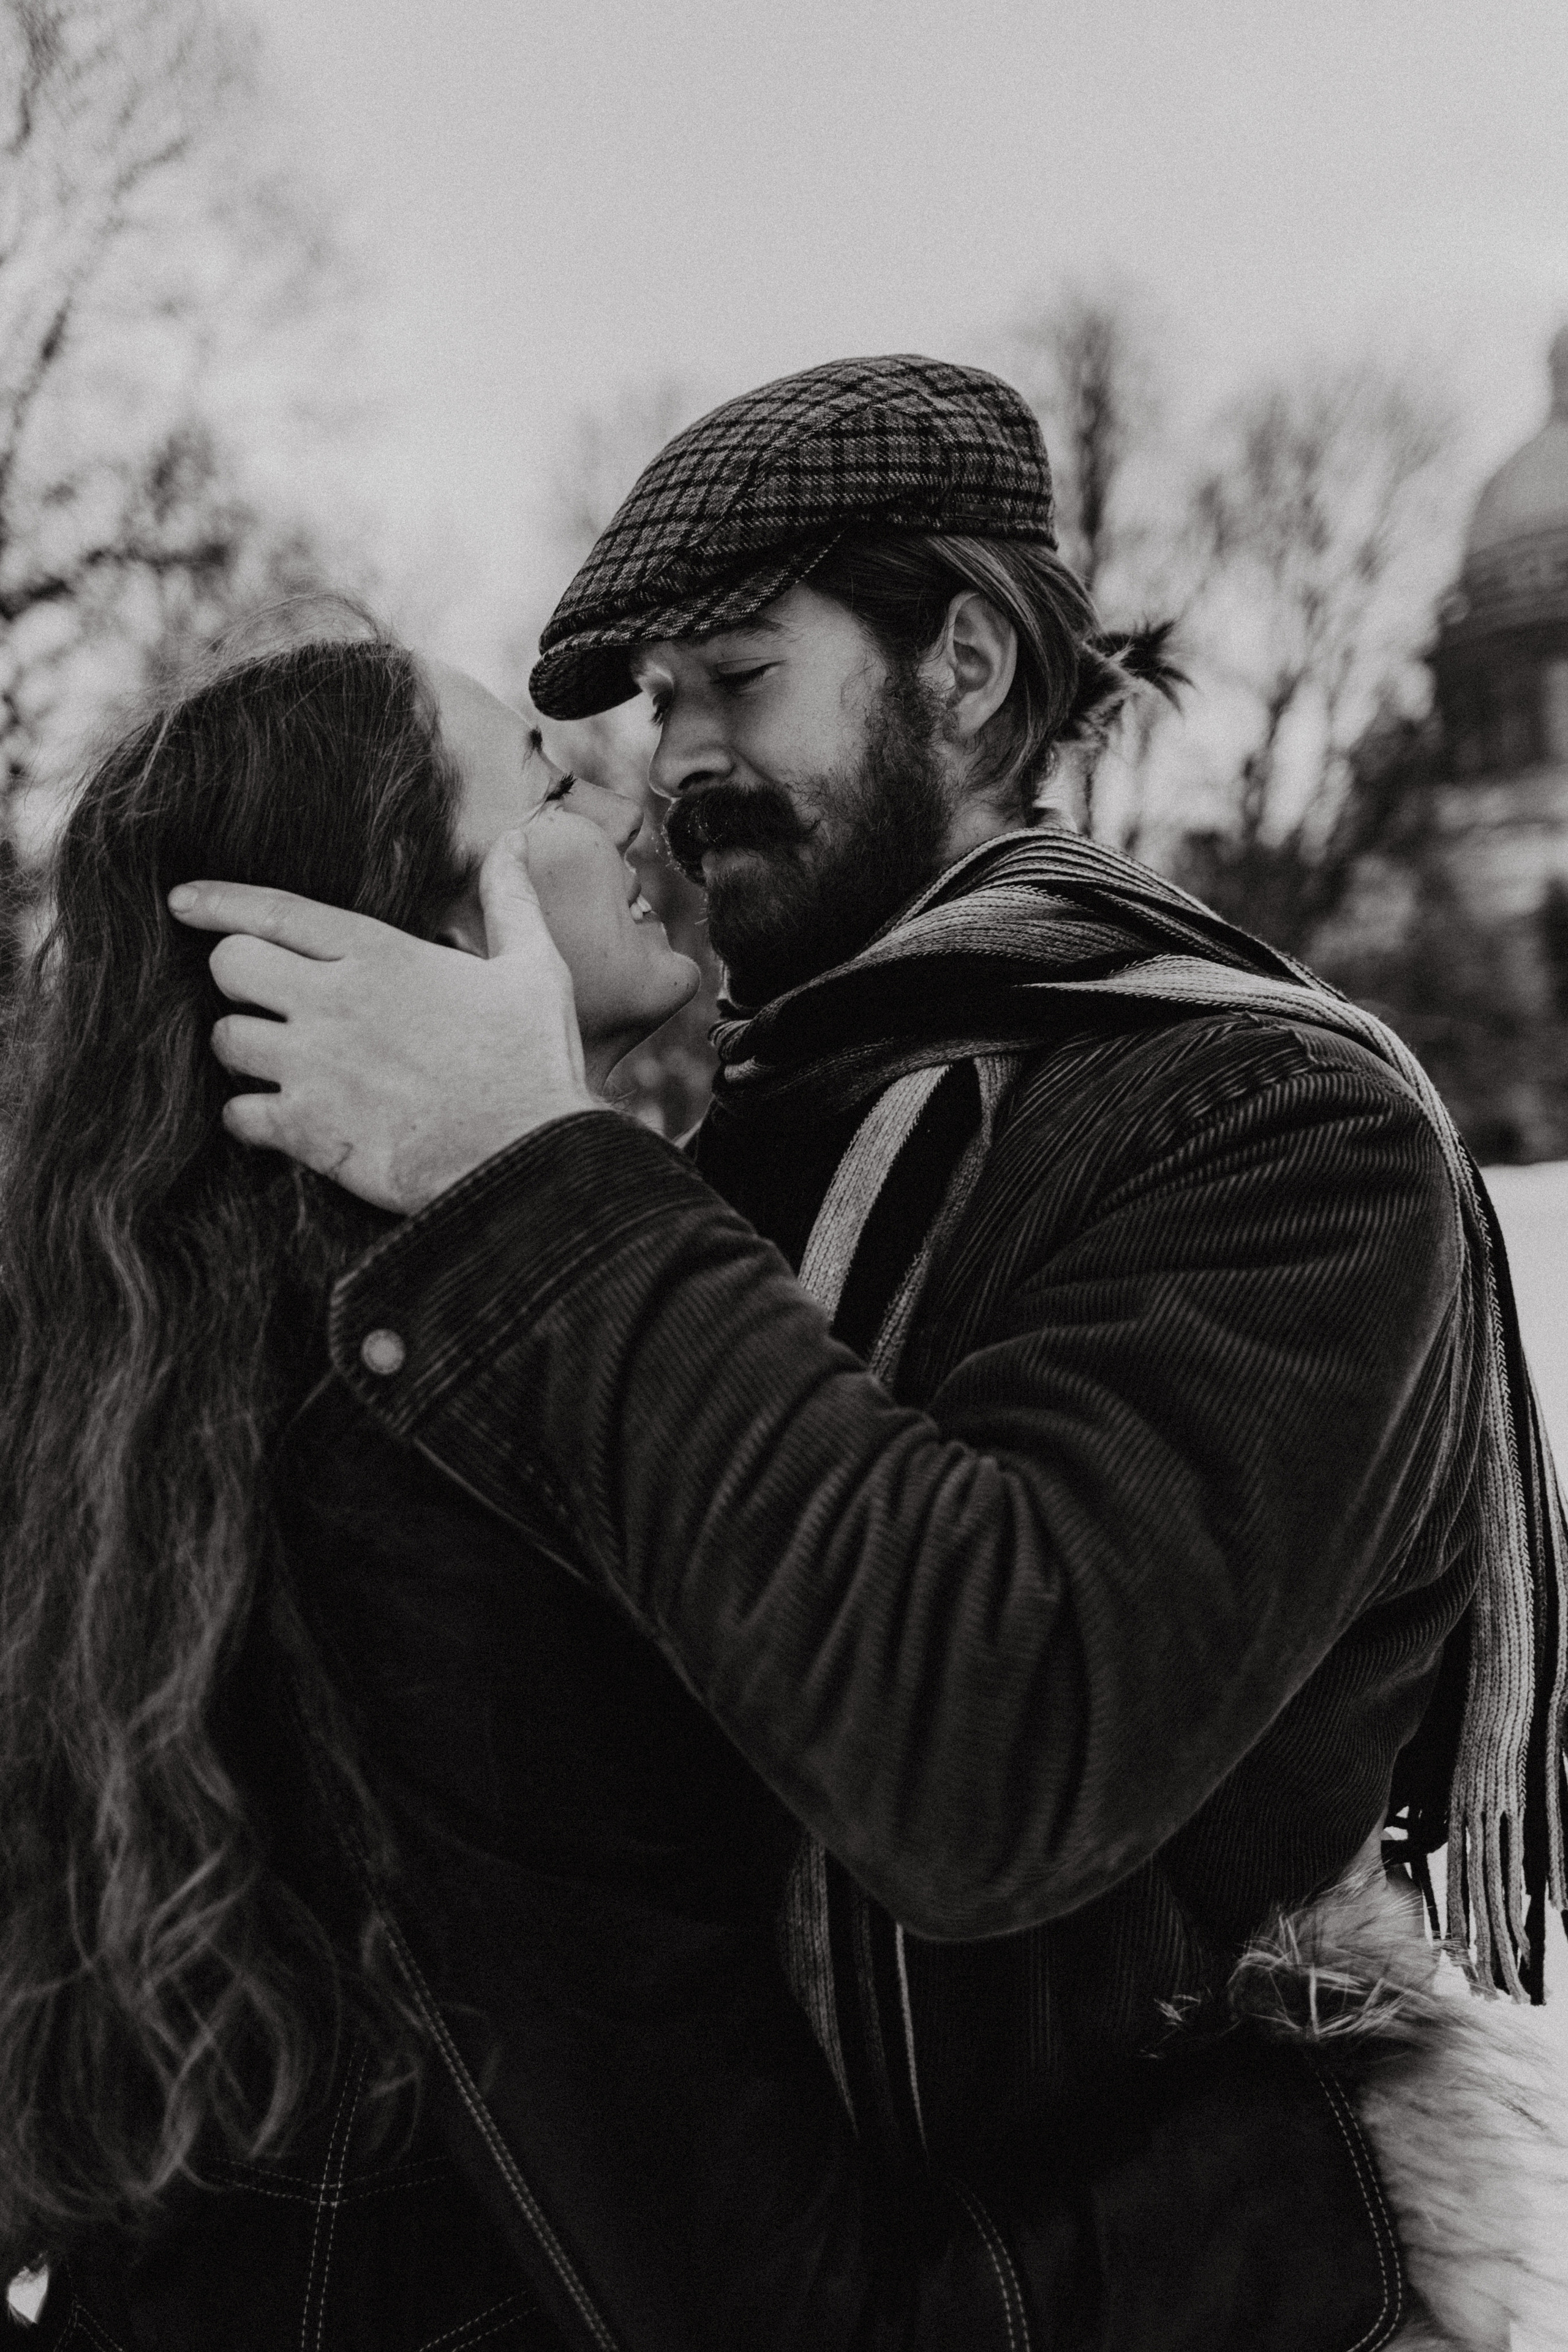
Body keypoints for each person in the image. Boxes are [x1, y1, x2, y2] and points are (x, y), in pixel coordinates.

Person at [166, 359, 1568, 2348]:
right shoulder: (742, 1137)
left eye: (735, 678)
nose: (671, 762)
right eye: (653, 708)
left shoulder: (1266, 1132)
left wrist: (540, 1175)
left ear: (969, 667)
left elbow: (997, 1744)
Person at [0, 617, 1402, 2352]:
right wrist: (1341, 2190)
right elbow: (746, 2296)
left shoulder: (179, 1405)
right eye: (548, 777)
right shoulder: (428, 1475)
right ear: (413, 941)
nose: (640, 782)